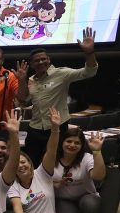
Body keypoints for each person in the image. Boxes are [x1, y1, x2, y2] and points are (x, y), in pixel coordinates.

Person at [17, 27, 98, 165]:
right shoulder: (31, 80)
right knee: (33, 163)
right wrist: (22, 80)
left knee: (55, 163)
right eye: (36, 60)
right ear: (31, 64)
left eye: (43, 59)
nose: (41, 62)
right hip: (35, 128)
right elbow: (23, 100)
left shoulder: (62, 73)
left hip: (58, 127)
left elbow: (89, 72)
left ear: (49, 60)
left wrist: (89, 53)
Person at [8, 108, 65, 213]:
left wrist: (55, 129)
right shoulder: (13, 184)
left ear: (30, 163)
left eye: (24, 161)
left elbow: (51, 150)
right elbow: (17, 208)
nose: (21, 165)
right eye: (17, 163)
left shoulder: (42, 173)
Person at [53, 127, 105, 213]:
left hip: (85, 197)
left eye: (77, 143)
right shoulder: (52, 156)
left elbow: (98, 176)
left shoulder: (87, 158)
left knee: (92, 202)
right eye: (69, 141)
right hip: (63, 199)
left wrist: (97, 151)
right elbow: (41, 181)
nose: (72, 145)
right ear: (62, 142)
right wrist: (56, 185)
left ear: (82, 145)